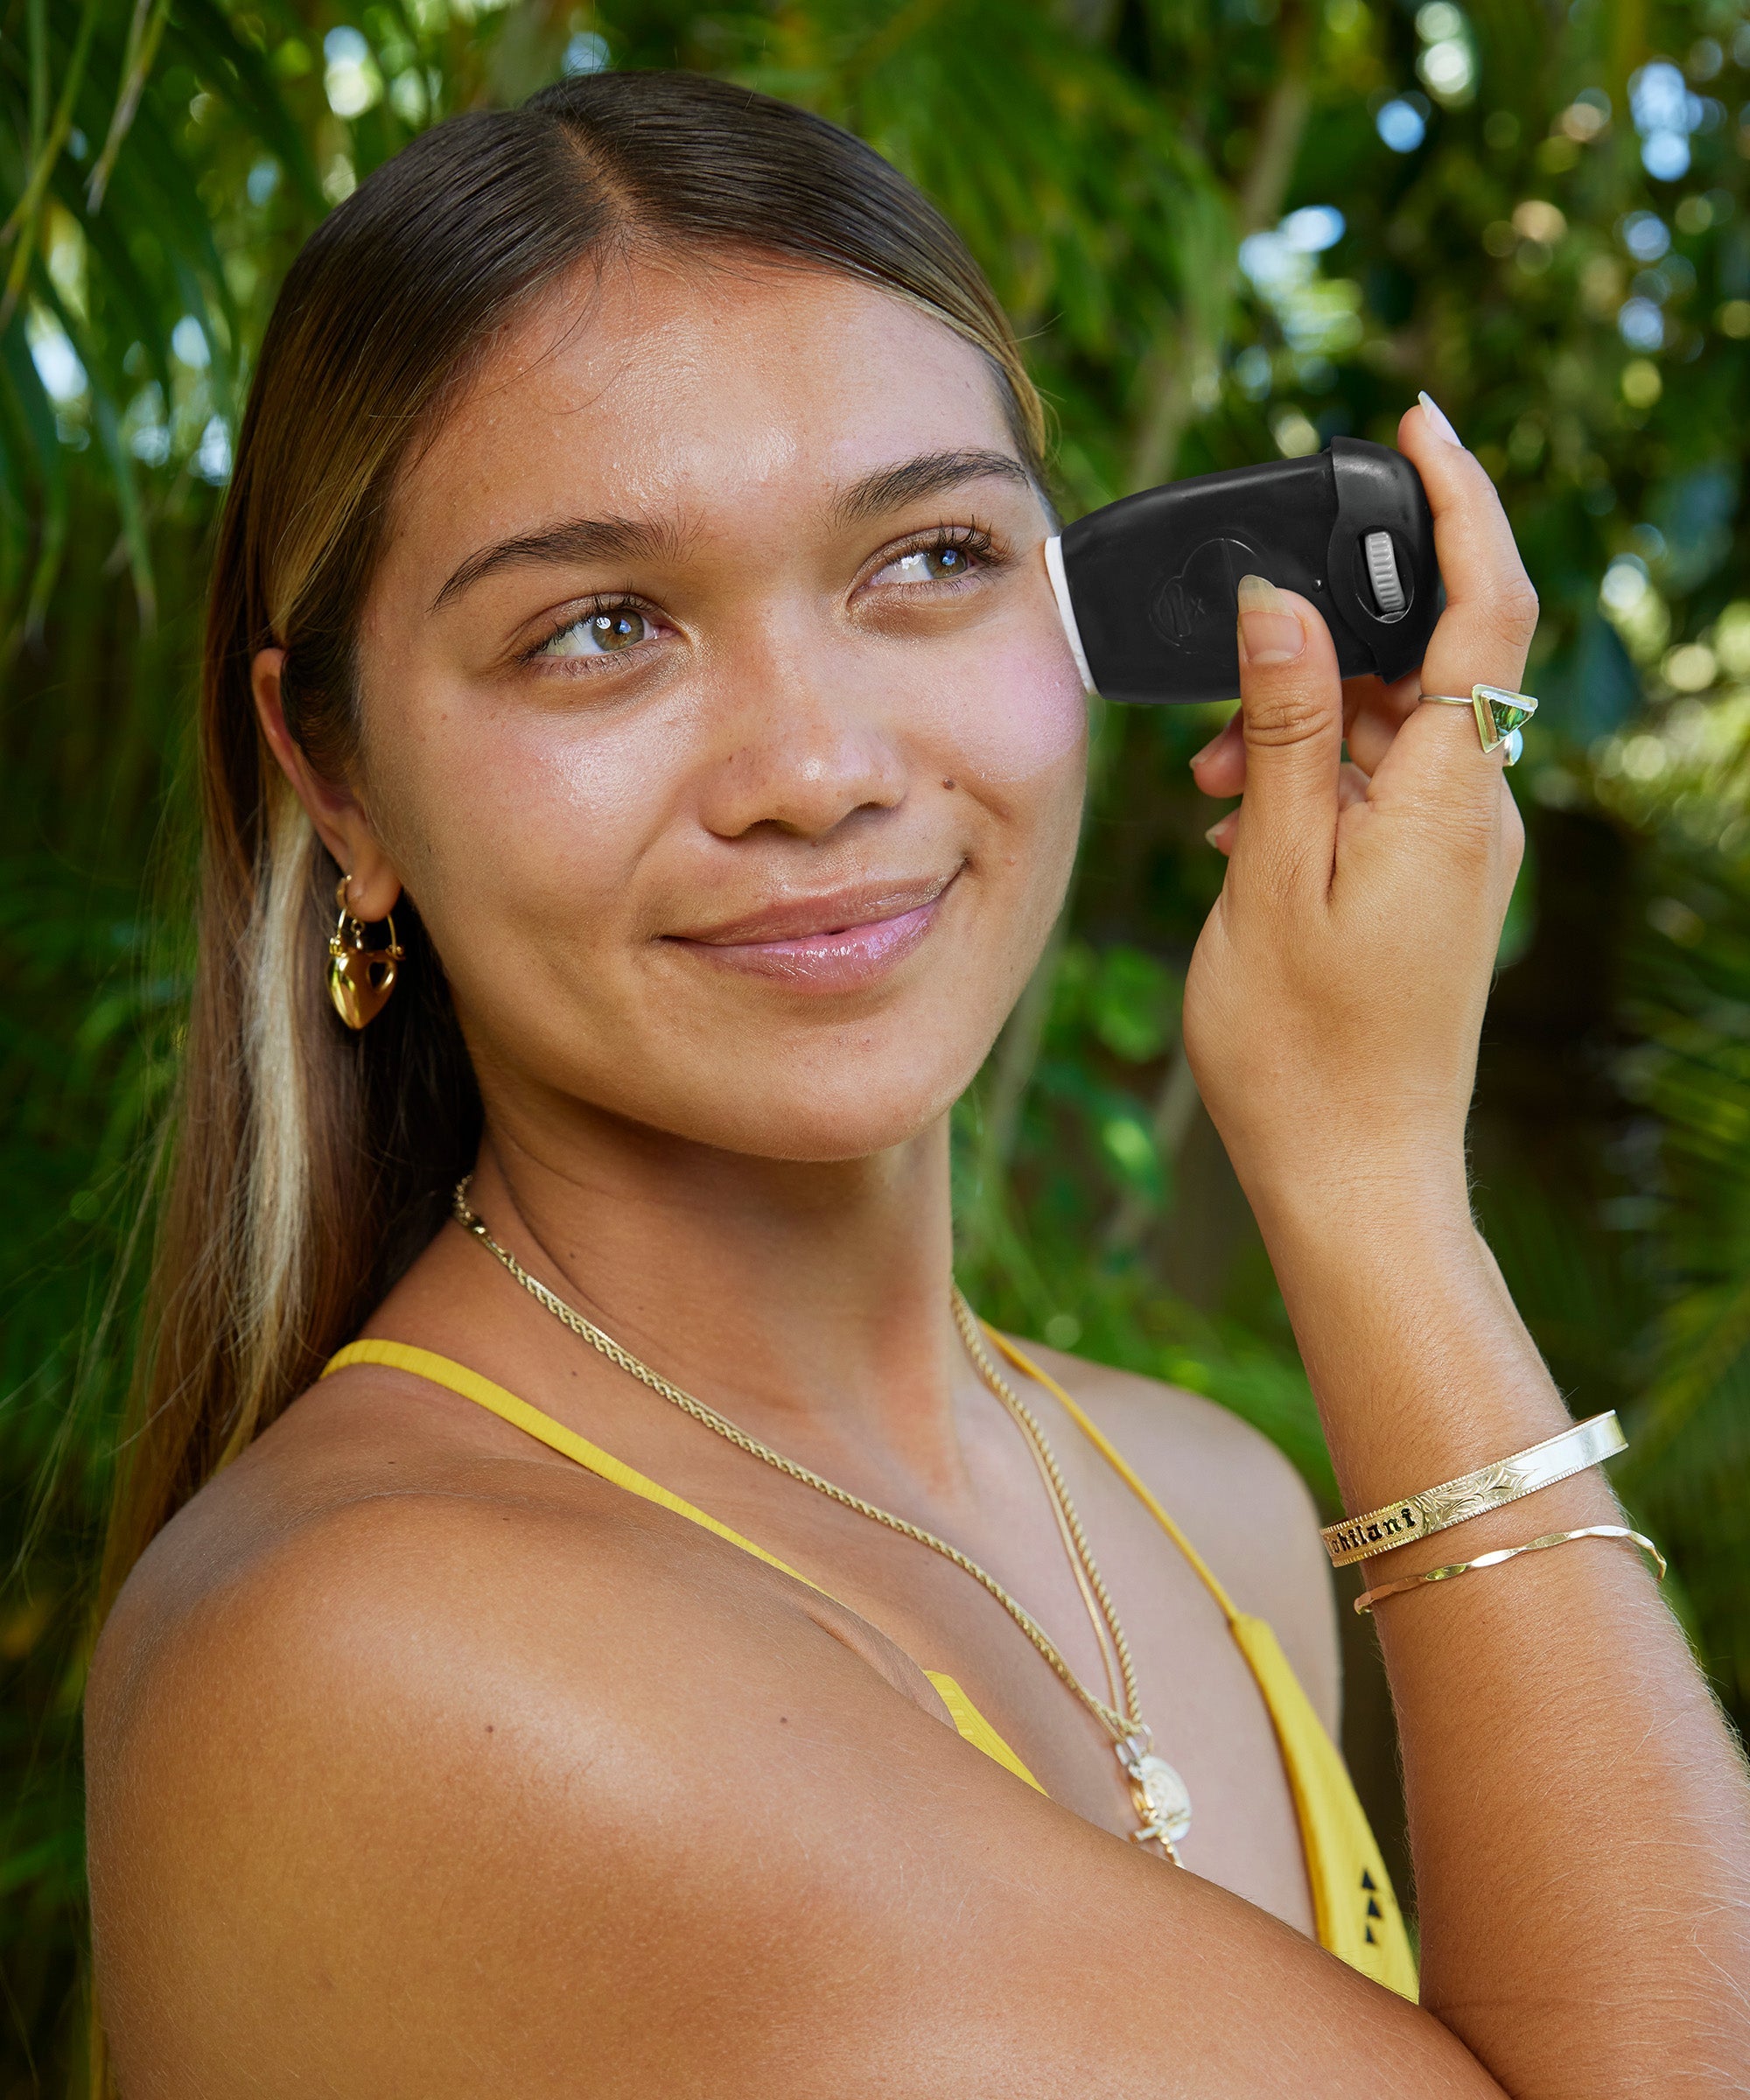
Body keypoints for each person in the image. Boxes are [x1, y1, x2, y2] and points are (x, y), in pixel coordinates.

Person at [82, 69, 1750, 2098]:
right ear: (336, 777)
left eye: (933, 558)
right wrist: (1367, 1179)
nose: (822, 769)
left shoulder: (1208, 1508)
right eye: (602, 628)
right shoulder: (384, 1659)